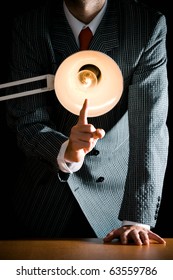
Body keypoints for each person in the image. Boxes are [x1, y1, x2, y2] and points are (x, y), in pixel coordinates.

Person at [6, 0, 169, 245]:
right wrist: (66, 150)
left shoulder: (145, 25)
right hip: (42, 203)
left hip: (114, 209)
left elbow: (150, 125)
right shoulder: (30, 26)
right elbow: (27, 119)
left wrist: (136, 219)